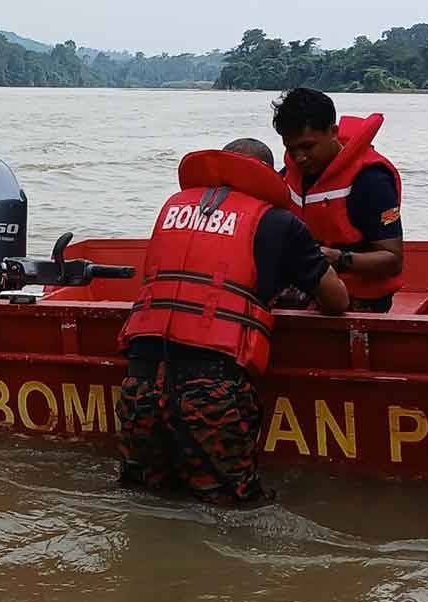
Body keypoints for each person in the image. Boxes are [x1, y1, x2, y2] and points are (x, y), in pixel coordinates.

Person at [114, 139, 349, 506]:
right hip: (211, 386)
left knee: (145, 498)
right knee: (233, 509)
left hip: (139, 382)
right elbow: (336, 300)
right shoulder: (278, 222)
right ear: (270, 175)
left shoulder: (173, 208)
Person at [273, 87, 404, 312]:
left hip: (360, 296)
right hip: (307, 288)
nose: (299, 158)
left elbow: (392, 260)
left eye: (307, 146)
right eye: (291, 149)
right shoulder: (289, 173)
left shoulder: (371, 180)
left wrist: (337, 258)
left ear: (333, 131)